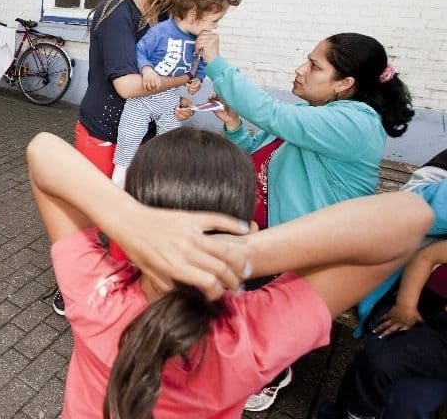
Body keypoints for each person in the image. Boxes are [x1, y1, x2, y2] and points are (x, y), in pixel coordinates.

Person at [26, 129, 432, 419]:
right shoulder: (253, 335)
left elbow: (42, 149)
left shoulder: (96, 292)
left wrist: (126, 220)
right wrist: (246, 253)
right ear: (247, 224)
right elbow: (412, 218)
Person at [177, 31, 415, 410]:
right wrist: (234, 125)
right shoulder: (313, 112)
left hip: (300, 249)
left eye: (315, 65)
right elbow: (254, 153)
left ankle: (271, 371)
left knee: (254, 309)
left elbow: (272, 114)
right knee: (221, 286)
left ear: (345, 83)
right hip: (264, 231)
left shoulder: (356, 123)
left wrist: (217, 63)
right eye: (306, 60)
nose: (300, 70)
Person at [57, 0, 215, 315]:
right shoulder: (118, 11)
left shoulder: (160, 15)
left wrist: (176, 103)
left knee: (129, 215)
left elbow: (161, 73)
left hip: (140, 132)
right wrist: (182, 82)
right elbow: (128, 85)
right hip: (102, 132)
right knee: (91, 216)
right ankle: (72, 287)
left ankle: (117, 288)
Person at [319, 148, 447, 419]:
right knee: (381, 365)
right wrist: (406, 304)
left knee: (407, 401)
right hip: (415, 302)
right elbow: (413, 214)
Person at [111, 0, 240, 187]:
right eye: (214, 21)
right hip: (144, 96)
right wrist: (147, 70)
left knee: (169, 142)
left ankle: (156, 180)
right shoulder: (161, 32)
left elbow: (202, 63)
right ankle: (118, 179)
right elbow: (139, 50)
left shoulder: (200, 39)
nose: (215, 27)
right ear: (193, 14)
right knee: (129, 137)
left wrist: (197, 79)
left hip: (170, 97)